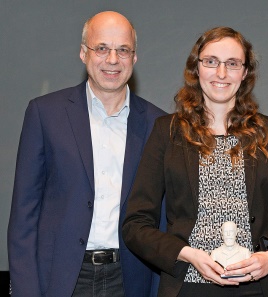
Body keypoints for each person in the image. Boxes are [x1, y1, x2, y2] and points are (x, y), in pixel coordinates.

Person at [122, 26, 268, 297]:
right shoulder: (167, 132)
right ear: (196, 68)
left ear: (245, 72)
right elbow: (135, 224)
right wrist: (187, 254)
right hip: (189, 286)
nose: (221, 73)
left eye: (233, 64)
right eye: (211, 62)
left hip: (260, 287)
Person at [7, 11, 165, 297]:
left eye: (123, 50)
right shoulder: (45, 114)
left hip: (130, 280)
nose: (113, 60)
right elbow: (23, 215)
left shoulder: (159, 125)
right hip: (60, 278)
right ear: (83, 53)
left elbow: (163, 220)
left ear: (135, 58)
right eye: (102, 48)